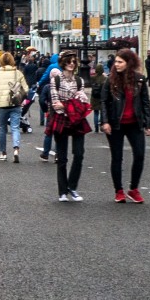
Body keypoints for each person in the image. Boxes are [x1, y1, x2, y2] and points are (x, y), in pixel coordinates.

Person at [93, 49, 150, 202]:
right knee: (117, 157)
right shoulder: (110, 80)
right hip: (115, 124)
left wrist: (148, 124)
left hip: (135, 123)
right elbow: (104, 102)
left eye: (120, 62)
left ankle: (134, 189)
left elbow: (145, 102)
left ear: (129, 63)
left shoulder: (139, 80)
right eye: (116, 62)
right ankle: (118, 191)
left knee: (139, 155)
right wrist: (104, 122)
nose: (116, 64)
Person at [46, 51, 91, 200]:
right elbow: (55, 104)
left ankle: (72, 186)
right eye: (69, 61)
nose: (71, 64)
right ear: (63, 62)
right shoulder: (56, 80)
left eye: (73, 61)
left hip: (76, 120)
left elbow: (82, 103)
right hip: (61, 120)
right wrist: (71, 105)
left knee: (79, 154)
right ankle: (62, 191)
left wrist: (66, 105)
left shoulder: (79, 81)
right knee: (62, 157)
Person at [0, 50, 30, 163]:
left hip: (2, 105)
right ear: (12, 61)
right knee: (15, 127)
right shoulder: (18, 73)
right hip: (15, 104)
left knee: (2, 128)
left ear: (1, 62)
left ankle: (3, 153)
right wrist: (20, 98)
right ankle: (16, 149)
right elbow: (26, 89)